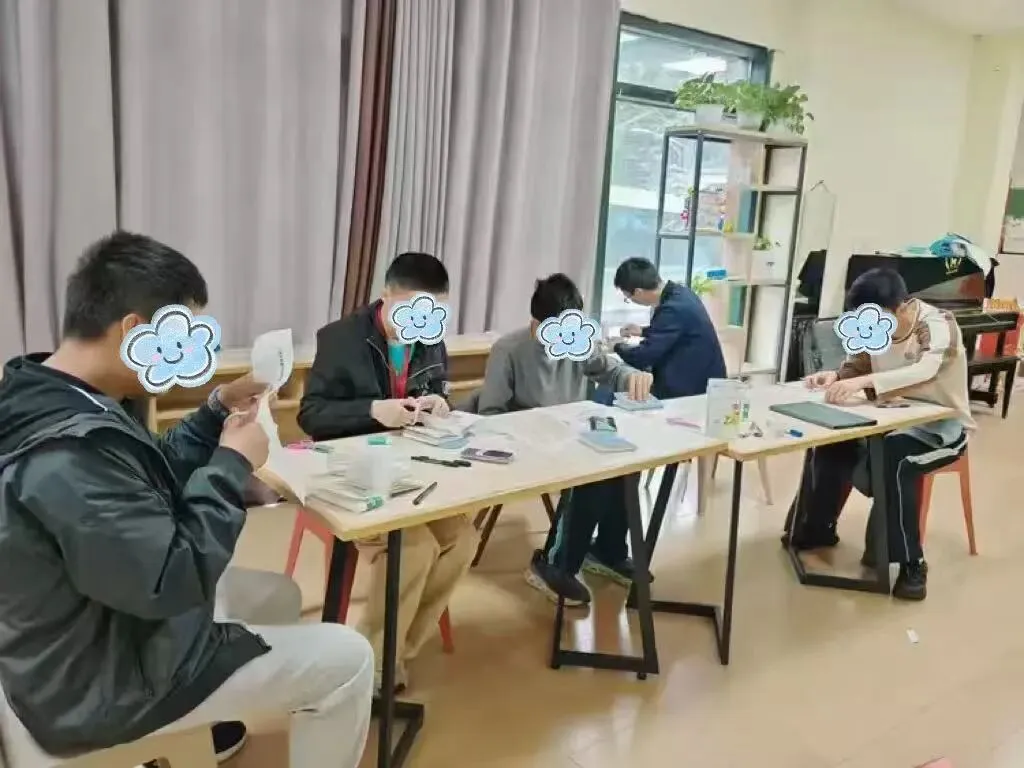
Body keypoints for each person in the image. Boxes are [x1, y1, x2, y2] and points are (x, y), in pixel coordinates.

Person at [0, 232, 373, 768]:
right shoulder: (67, 453)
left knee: (277, 596)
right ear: (134, 329)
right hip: (100, 687)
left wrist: (214, 412)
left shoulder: (53, 395)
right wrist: (231, 464)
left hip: (90, 635)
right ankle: (194, 716)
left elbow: (147, 476)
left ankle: (214, 727)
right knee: (350, 659)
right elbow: (173, 578)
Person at [298, 252, 477, 691]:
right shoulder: (340, 338)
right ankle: (375, 666)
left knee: (462, 541)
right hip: (357, 473)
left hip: (415, 470)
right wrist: (373, 410)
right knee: (413, 547)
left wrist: (439, 404)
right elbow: (311, 414)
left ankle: (394, 654)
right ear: (385, 295)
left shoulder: (430, 336)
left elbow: (438, 389)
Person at [784, 267, 973, 601]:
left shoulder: (936, 324)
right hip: (889, 421)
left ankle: (912, 564)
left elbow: (927, 369)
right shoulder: (874, 328)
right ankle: (816, 528)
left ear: (902, 306)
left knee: (894, 460)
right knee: (832, 442)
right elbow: (858, 363)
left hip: (940, 429)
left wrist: (864, 382)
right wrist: (836, 377)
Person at [477, 273, 653, 605]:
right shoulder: (508, 350)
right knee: (588, 472)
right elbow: (490, 415)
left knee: (623, 462)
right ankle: (553, 564)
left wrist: (632, 376)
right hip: (524, 446)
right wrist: (534, 429)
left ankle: (608, 551)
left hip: (570, 436)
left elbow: (609, 369)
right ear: (536, 324)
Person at [612, 257, 727, 396]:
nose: (631, 301)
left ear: (638, 292)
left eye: (628, 298)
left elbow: (643, 357)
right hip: (701, 379)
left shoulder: (672, 309)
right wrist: (642, 331)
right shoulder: (681, 293)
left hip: (693, 389)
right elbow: (673, 331)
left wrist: (616, 346)